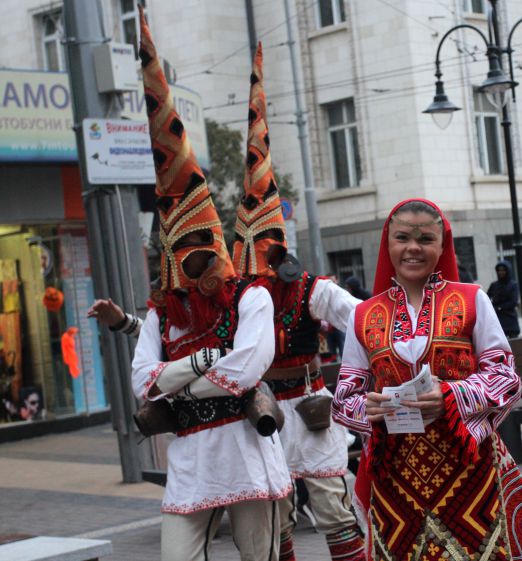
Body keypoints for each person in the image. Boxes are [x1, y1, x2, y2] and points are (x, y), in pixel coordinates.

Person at [130, 13, 291, 560]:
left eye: (206, 247)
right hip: (192, 460)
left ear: (220, 243)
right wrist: (201, 368)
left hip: (246, 449)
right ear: (173, 257)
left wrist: (174, 377)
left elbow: (246, 369)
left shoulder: (254, 296)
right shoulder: (160, 314)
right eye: (186, 253)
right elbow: (141, 386)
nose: (200, 264)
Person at [332, 198, 522, 561]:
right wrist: (369, 408)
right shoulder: (363, 315)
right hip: (397, 482)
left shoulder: (472, 300)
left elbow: (505, 376)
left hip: (470, 473)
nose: (413, 248)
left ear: (442, 246)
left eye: (425, 238)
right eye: (402, 237)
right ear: (387, 243)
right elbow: (344, 399)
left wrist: (451, 397)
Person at [230, 43, 364, 561]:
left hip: (310, 408)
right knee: (276, 514)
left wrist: (355, 373)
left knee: (332, 505)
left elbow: (361, 319)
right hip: (260, 414)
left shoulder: (311, 289)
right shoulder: (236, 295)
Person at [487, 260, 520, 338]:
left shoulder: (513, 285)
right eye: (499, 270)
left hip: (510, 319)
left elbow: (514, 301)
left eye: (503, 270)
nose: (501, 272)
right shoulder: (494, 285)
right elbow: (487, 298)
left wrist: (500, 307)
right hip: (497, 320)